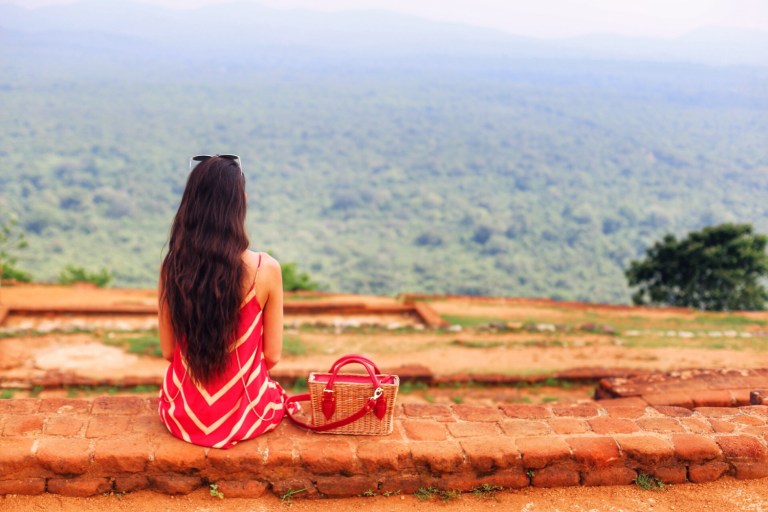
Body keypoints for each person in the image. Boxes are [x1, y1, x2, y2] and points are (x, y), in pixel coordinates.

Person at [157, 154, 292, 449]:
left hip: (182, 414)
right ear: (241, 200)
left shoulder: (172, 266)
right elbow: (272, 356)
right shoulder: (265, 270)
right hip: (246, 413)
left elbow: (169, 351)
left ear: (190, 203)